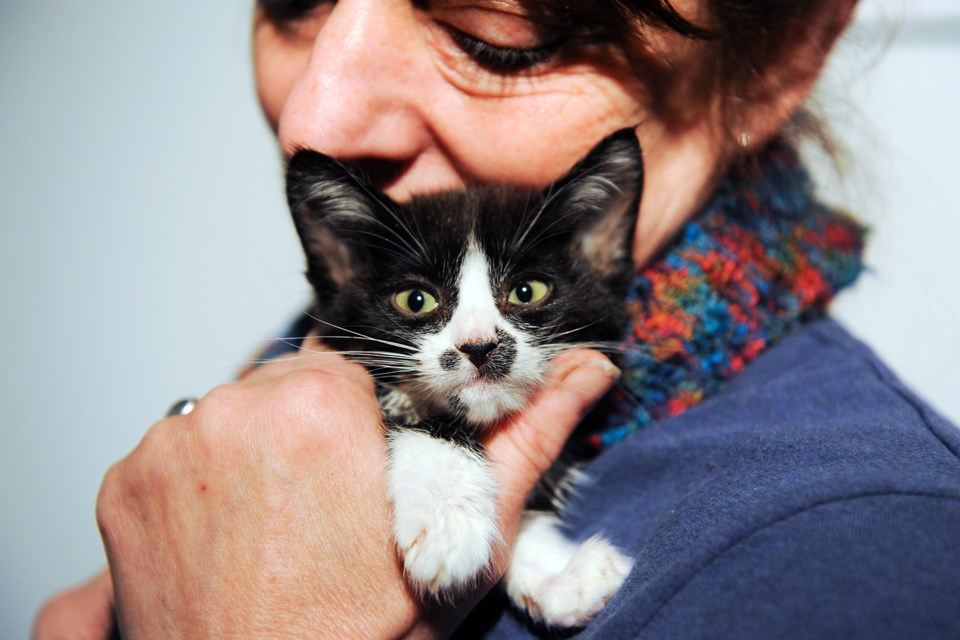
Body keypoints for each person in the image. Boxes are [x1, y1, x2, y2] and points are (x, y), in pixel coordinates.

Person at [33, 0, 960, 638]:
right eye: (291, 0)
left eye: (496, 34)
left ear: (786, 53)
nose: (315, 115)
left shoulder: (874, 546)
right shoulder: (300, 370)